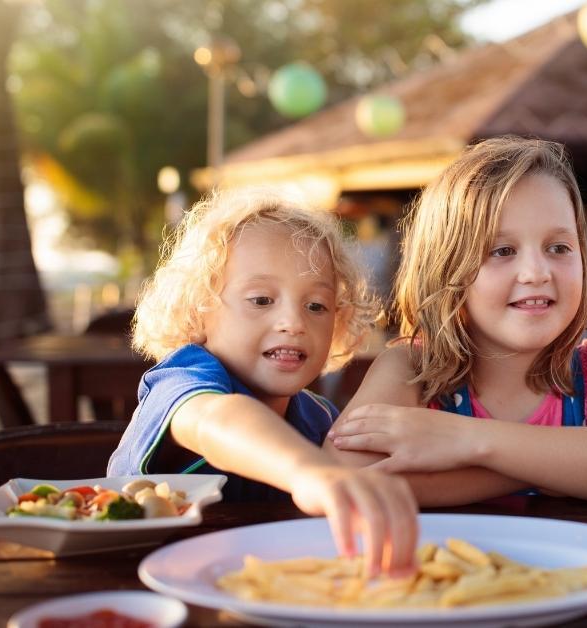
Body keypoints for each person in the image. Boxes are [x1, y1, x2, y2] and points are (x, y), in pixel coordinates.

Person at [327, 136, 587, 505]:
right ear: (446, 269)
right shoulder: (411, 369)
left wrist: (467, 440)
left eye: (558, 248)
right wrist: (553, 469)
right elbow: (345, 475)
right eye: (502, 250)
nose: (537, 272)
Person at [107, 187, 417, 576]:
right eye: (261, 300)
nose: (293, 322)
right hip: (130, 584)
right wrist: (311, 470)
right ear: (198, 312)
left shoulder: (319, 417)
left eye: (316, 305)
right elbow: (214, 421)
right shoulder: (183, 380)